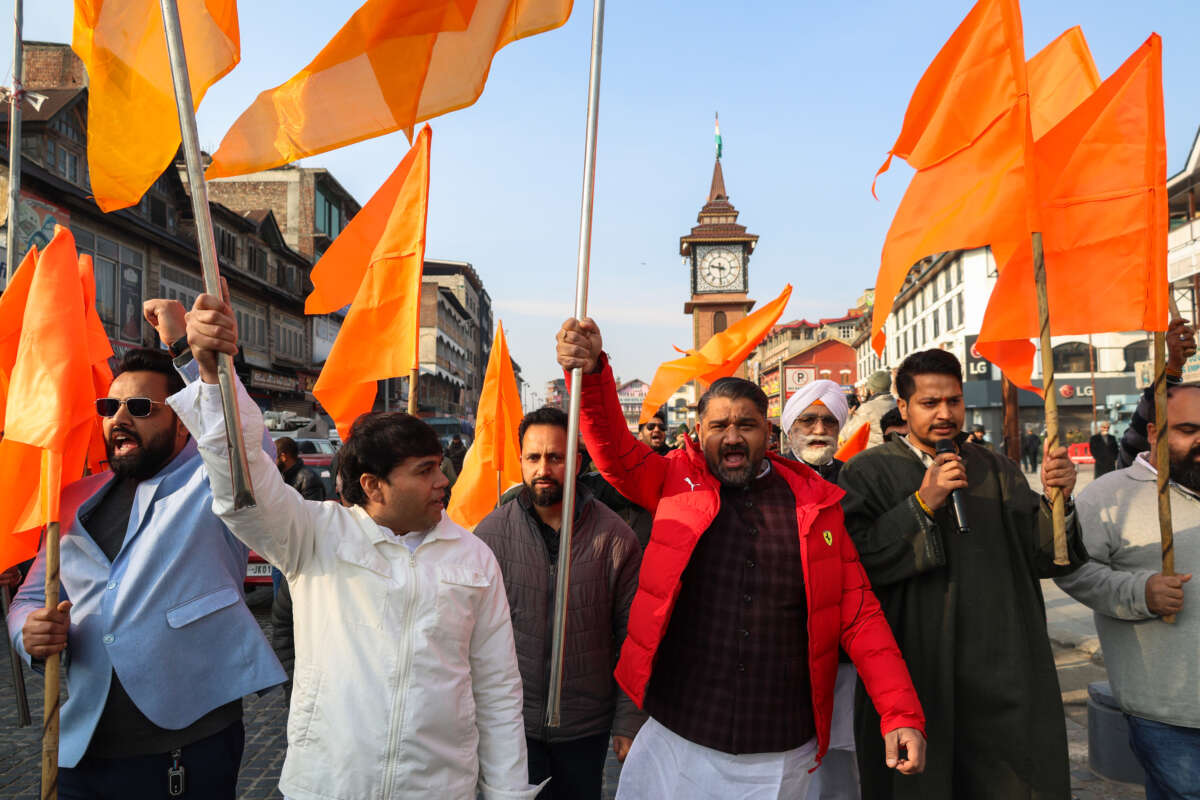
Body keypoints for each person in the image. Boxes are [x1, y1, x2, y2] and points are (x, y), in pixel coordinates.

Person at [176, 288, 540, 799]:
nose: (444, 482)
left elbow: (498, 689)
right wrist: (216, 379)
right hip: (328, 784)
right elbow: (244, 488)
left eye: (441, 468)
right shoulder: (313, 535)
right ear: (373, 485)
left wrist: (505, 793)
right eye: (425, 471)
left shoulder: (473, 556)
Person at [556, 317, 926, 800]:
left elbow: (860, 615)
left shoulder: (816, 505)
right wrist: (592, 374)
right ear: (697, 432)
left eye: (745, 425)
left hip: (778, 746)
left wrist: (900, 714)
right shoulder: (672, 481)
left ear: (767, 433)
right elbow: (613, 451)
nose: (732, 437)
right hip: (679, 733)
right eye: (719, 426)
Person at [6, 307, 285, 799]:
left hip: (186, 748)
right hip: (82, 751)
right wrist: (30, 630)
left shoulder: (210, 482)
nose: (118, 420)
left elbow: (245, 444)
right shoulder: (72, 499)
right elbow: (29, 598)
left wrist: (186, 351)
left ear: (182, 422)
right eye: (109, 408)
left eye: (139, 408)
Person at [837, 348, 1088, 800]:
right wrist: (921, 504)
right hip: (917, 668)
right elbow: (857, 566)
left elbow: (1046, 556)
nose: (944, 414)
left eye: (953, 401)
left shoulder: (994, 467)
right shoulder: (866, 473)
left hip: (1000, 669)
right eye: (929, 403)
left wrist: (1057, 502)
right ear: (903, 405)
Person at [475, 406, 645, 798]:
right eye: (533, 457)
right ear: (520, 460)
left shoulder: (616, 538)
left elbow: (633, 637)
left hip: (585, 729)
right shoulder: (491, 535)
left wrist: (629, 720)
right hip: (509, 724)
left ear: (577, 462)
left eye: (555, 457)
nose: (543, 469)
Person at [1055, 383, 1199, 800]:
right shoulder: (1110, 495)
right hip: (1172, 712)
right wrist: (1141, 593)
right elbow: (1073, 570)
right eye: (1187, 429)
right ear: (1153, 432)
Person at [780, 380, 861, 800]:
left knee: (839, 768)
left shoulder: (857, 483)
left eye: (828, 420)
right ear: (790, 426)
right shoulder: (769, 480)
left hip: (841, 650)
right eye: (808, 419)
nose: (818, 428)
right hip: (782, 649)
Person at [1118, 318, 1198, 469]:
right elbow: (1134, 445)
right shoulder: (1137, 482)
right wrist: (1173, 366)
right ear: (1153, 434)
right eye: (1188, 431)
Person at [782, 379, 849, 483]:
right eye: (808, 420)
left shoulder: (850, 478)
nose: (820, 430)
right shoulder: (774, 475)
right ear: (790, 432)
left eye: (830, 421)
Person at [841, 370, 896, 449]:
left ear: (872, 390)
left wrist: (849, 416)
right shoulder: (897, 404)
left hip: (875, 455)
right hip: (896, 452)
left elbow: (847, 434)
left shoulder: (867, 408)